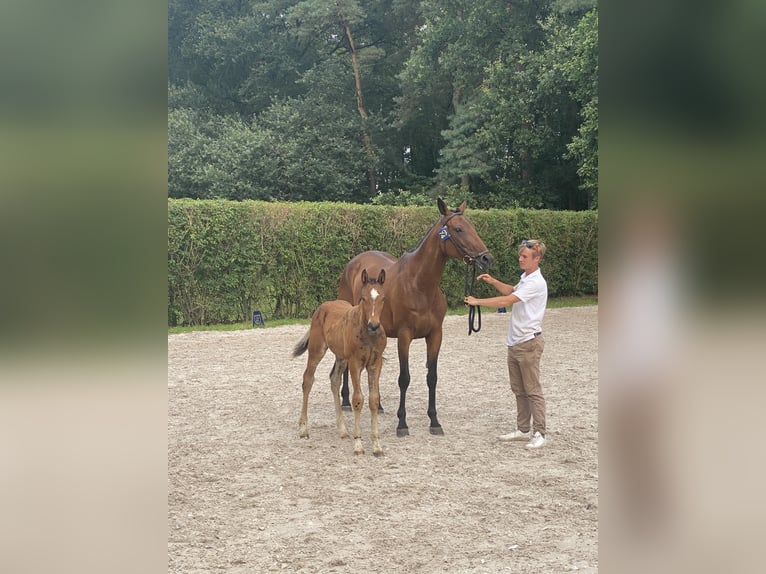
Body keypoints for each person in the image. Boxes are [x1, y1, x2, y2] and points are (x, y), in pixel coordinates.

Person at [465, 239, 548, 449]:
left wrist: (478, 302)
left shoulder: (536, 282)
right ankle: (523, 429)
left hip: (528, 342)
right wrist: (493, 281)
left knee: (532, 389)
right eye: (520, 256)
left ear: (537, 259)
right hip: (516, 342)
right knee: (519, 389)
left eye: (525, 257)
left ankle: (540, 432)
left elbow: (507, 301)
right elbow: (511, 291)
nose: (520, 259)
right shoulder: (526, 279)